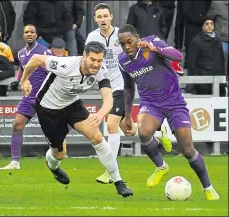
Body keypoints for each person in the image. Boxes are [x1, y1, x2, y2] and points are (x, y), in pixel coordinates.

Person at [117, 24, 219, 200]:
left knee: (188, 150)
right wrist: (127, 115)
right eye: (122, 44)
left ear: (137, 38)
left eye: (129, 42)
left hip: (174, 102)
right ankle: (161, 166)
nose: (127, 47)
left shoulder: (152, 42)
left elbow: (178, 56)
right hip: (151, 104)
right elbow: (128, 87)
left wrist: (155, 50)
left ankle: (208, 187)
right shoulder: (122, 60)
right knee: (143, 132)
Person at [19, 41, 133, 197]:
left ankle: (118, 181)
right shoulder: (65, 64)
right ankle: (53, 166)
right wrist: (24, 80)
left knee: (97, 137)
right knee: (59, 154)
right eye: (92, 59)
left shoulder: (101, 71)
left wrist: (100, 114)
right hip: (48, 108)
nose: (96, 64)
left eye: (99, 61)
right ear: (84, 56)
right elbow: (36, 59)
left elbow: (108, 100)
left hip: (72, 104)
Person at [86, 3, 172, 185]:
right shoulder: (91, 38)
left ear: (111, 17)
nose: (102, 20)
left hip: (121, 85)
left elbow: (134, 56)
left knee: (111, 125)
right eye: (99, 17)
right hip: (105, 88)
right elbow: (88, 60)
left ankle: (111, 171)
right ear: (95, 19)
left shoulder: (122, 36)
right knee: (127, 129)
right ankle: (158, 133)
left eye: (105, 16)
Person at [0, 24, 52, 170]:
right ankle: (15, 162)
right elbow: (22, 70)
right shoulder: (21, 53)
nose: (29, 34)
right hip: (28, 97)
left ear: (36, 35)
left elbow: (53, 73)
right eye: (26, 32)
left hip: (44, 97)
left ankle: (55, 160)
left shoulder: (45, 52)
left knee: (52, 130)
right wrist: (18, 81)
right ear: (23, 35)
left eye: (32, 32)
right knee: (17, 125)